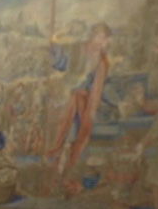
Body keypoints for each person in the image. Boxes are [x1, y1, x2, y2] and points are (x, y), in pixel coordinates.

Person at [47, 22, 113, 177]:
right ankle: (55, 165)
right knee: (62, 129)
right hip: (66, 97)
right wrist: (54, 49)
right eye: (103, 38)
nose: (105, 43)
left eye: (106, 40)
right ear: (94, 36)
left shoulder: (102, 62)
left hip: (84, 102)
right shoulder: (77, 49)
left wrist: (92, 109)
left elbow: (97, 89)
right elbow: (61, 64)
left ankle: (69, 168)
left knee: (81, 131)